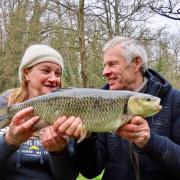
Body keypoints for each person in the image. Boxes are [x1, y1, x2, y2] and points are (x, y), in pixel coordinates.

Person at [53, 36, 180, 180]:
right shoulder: (95, 101)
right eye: (104, 65)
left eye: (112, 64)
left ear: (137, 62)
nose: (104, 72)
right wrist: (86, 137)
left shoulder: (175, 100)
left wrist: (150, 142)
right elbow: (90, 171)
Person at [0, 44, 78, 180]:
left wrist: (59, 152)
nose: (54, 79)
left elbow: (68, 177)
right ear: (26, 73)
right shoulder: (4, 107)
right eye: (46, 71)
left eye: (58, 73)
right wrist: (9, 142)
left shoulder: (67, 113)